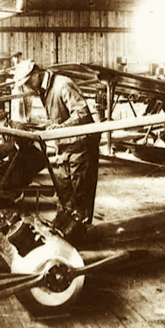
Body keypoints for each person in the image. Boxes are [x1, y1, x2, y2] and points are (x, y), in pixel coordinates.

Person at [14, 60, 100, 245]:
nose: (28, 87)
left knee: (80, 199)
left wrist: (60, 128)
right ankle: (64, 239)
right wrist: (39, 127)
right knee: (64, 197)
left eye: (28, 82)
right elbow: (59, 116)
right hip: (64, 149)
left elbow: (82, 113)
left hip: (80, 148)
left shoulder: (63, 84)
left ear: (37, 74)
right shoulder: (44, 90)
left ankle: (78, 242)